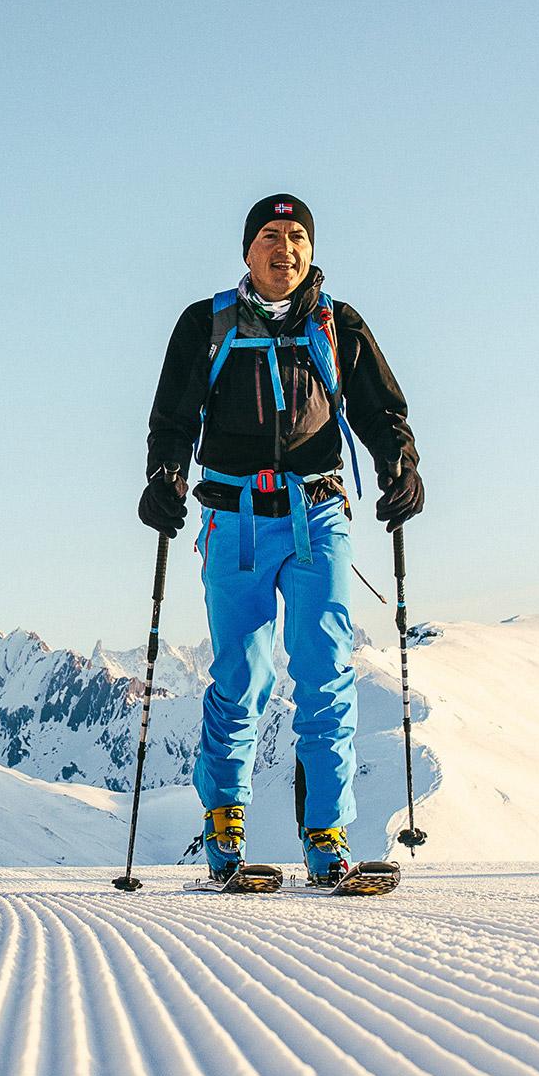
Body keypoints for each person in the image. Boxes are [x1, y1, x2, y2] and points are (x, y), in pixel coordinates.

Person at [140, 194, 422, 885]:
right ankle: (225, 829)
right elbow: (172, 417)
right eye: (271, 235)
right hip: (231, 519)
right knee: (242, 674)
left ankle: (328, 837)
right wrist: (164, 477)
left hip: (317, 513)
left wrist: (400, 465)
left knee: (326, 671)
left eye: (297, 237)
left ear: (310, 251)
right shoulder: (205, 325)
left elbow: (382, 409)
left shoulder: (337, 324)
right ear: (248, 251)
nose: (285, 248)